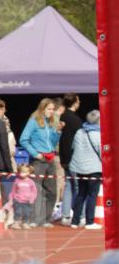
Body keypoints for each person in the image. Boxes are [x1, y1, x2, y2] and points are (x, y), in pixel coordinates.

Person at [20, 98, 61, 227]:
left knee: (52, 191)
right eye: (49, 109)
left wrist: (57, 132)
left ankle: (45, 219)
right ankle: (34, 219)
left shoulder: (50, 123)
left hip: (50, 159)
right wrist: (35, 153)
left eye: (53, 109)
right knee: (36, 191)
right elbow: (23, 139)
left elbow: (52, 143)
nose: (52, 111)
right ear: (42, 109)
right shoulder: (33, 122)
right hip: (38, 160)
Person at [69, 109, 103, 230]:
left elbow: (73, 147)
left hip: (79, 167)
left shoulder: (79, 132)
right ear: (98, 120)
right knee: (92, 195)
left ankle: (75, 221)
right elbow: (102, 153)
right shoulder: (99, 134)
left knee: (80, 194)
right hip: (94, 168)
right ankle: (89, 222)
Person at [58, 93, 82, 225]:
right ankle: (79, 216)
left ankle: (65, 215)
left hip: (64, 157)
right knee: (78, 187)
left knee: (68, 186)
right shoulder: (75, 120)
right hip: (74, 158)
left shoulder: (62, 116)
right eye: (78, 100)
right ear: (74, 102)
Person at [6, 164, 38, 228]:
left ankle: (25, 223)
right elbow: (13, 190)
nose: (22, 174)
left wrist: (32, 199)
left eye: (24, 172)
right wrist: (11, 199)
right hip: (17, 200)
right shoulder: (17, 180)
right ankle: (16, 223)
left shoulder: (31, 182)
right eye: (21, 172)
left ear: (29, 173)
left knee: (26, 213)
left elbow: (34, 191)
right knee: (17, 212)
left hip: (27, 201)